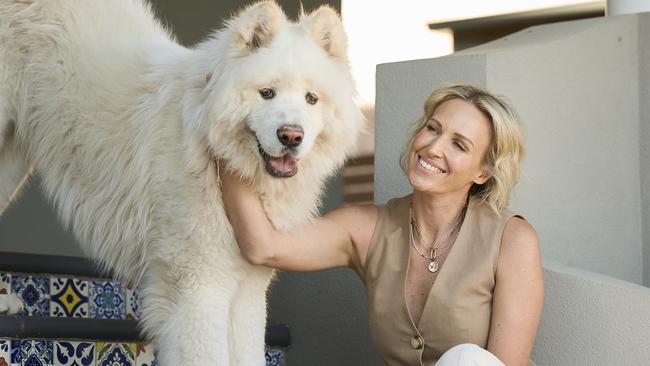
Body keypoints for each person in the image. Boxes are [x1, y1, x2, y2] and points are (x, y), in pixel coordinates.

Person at [220, 84, 543, 366]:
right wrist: (227, 143)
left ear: (482, 172)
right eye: (432, 128)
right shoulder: (366, 228)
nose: (433, 147)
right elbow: (265, 247)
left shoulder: (512, 239)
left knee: (465, 359)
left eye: (458, 144)